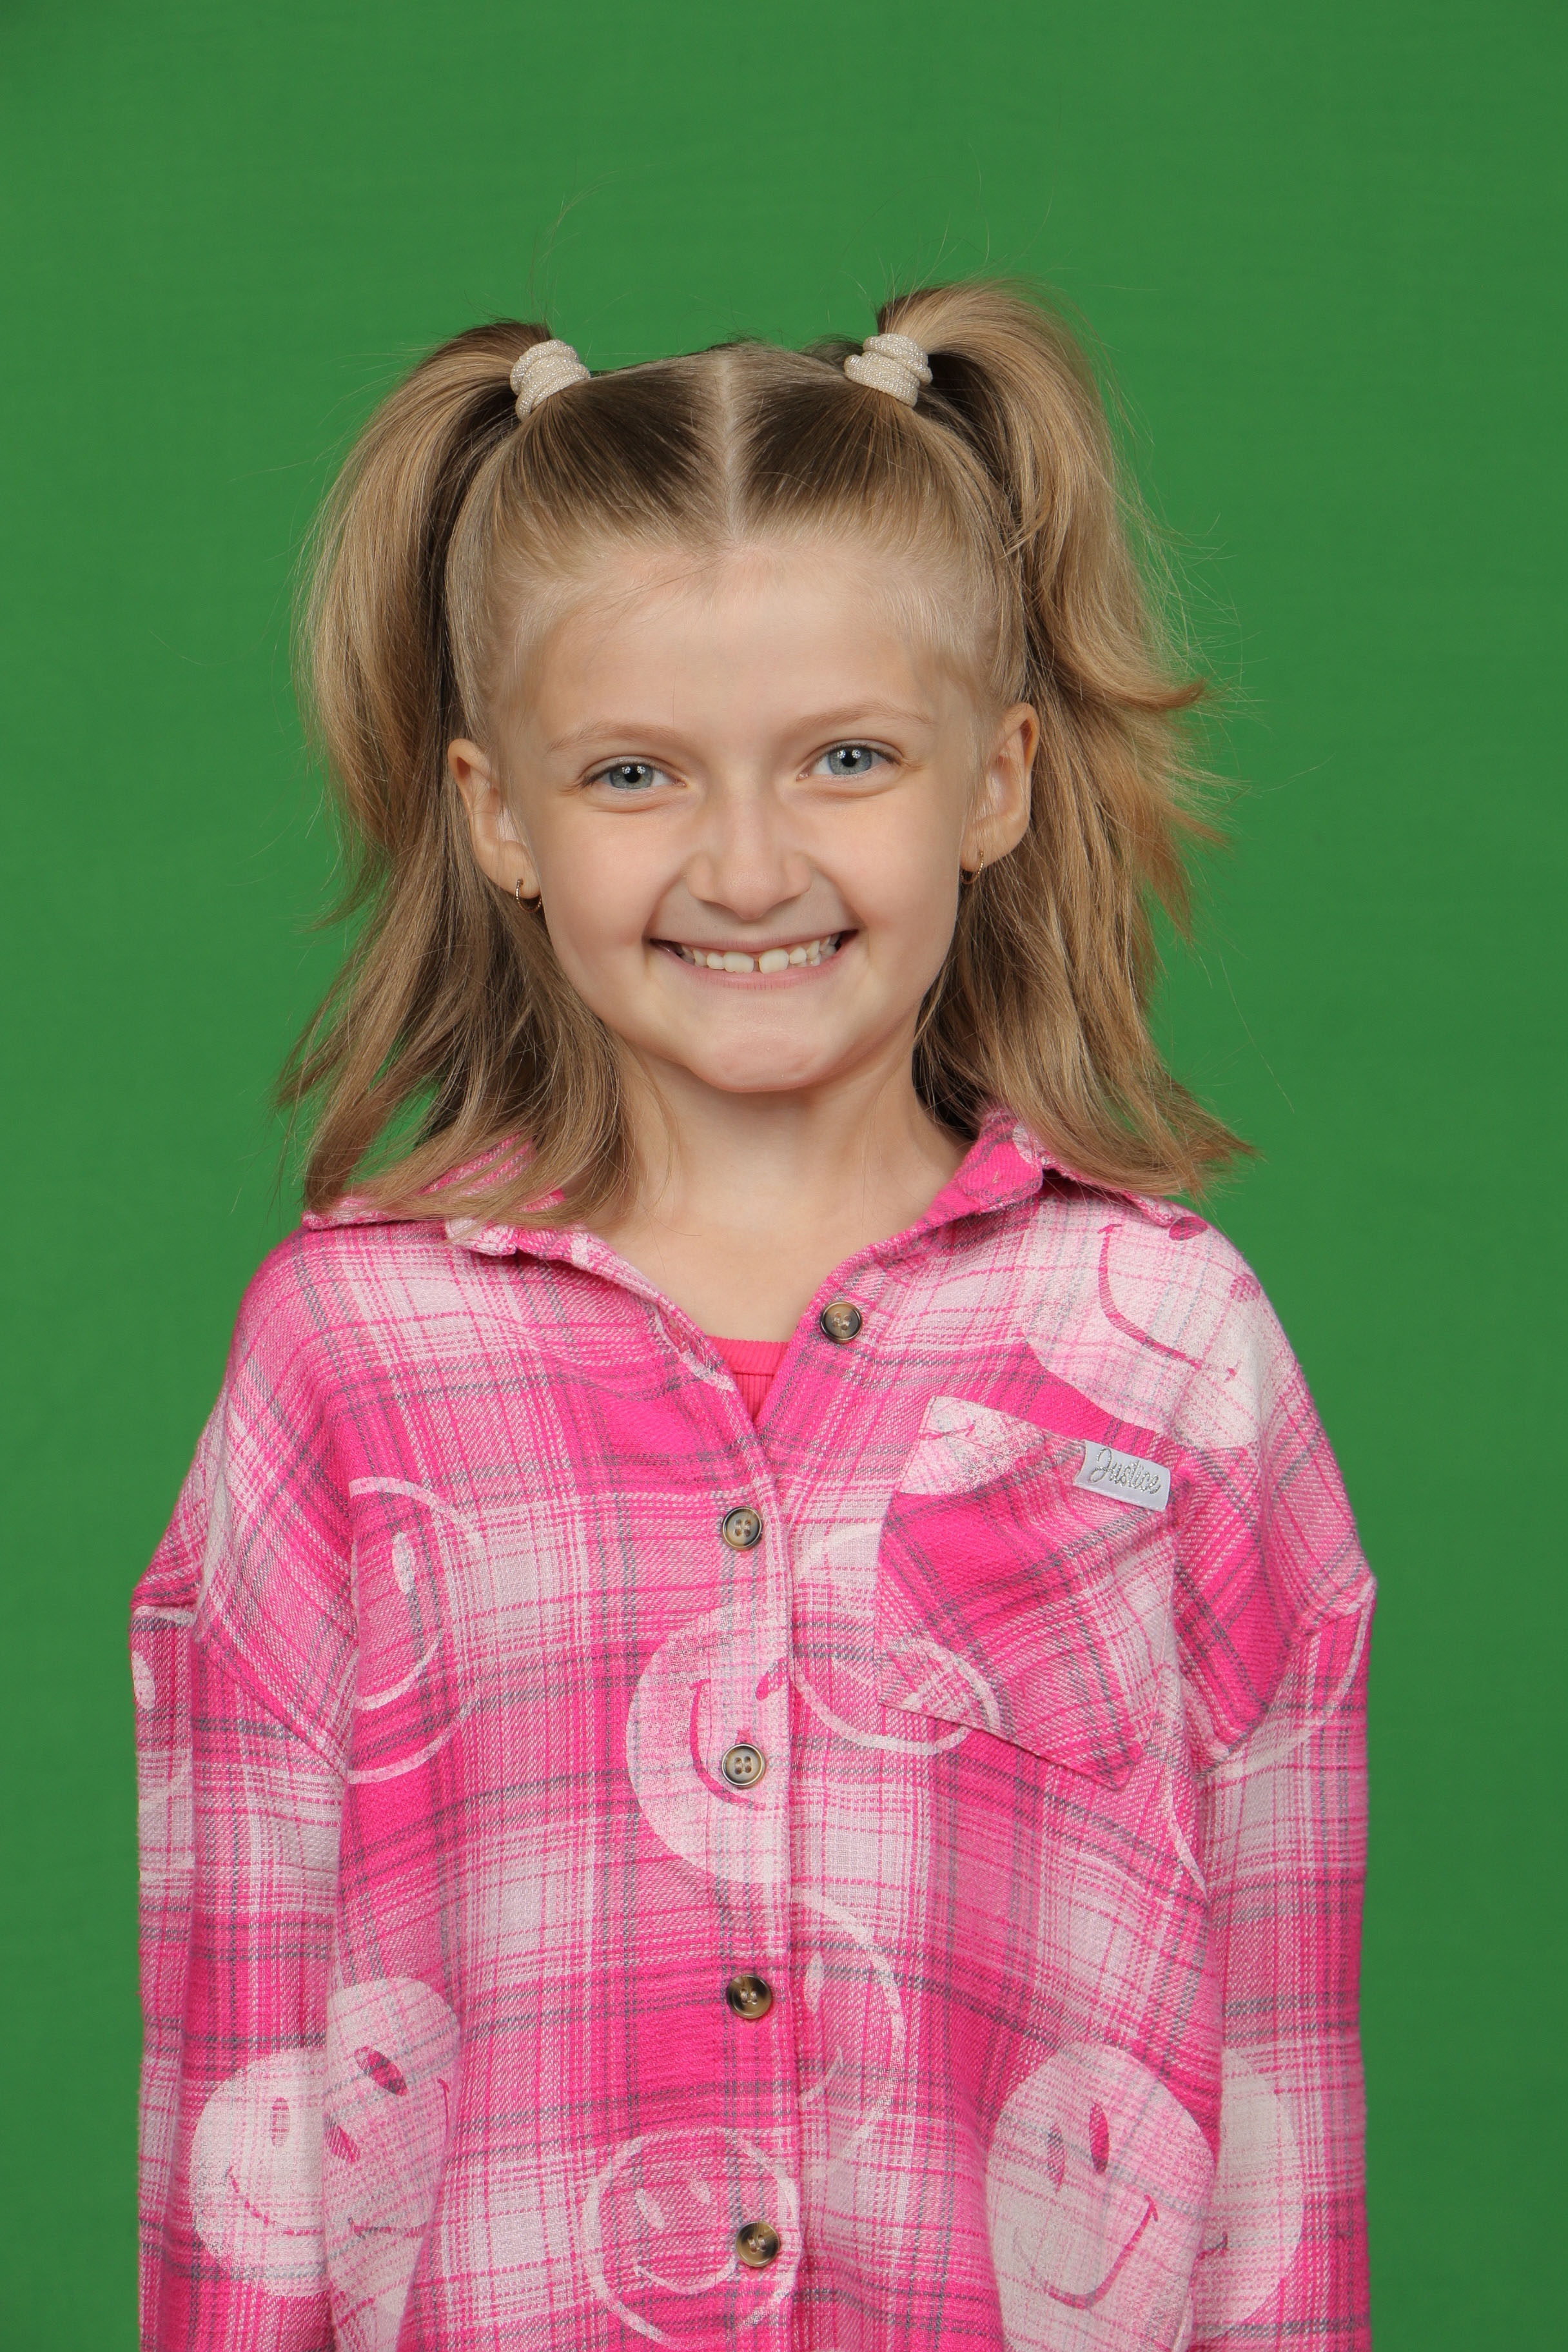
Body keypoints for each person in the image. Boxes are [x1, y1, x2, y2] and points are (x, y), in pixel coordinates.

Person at [131, 284, 1373, 2352]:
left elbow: (1274, 2112)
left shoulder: (1165, 1340)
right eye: (634, 772)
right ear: (500, 814)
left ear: (997, 780)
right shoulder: (346, 1359)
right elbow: (243, 2082)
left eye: (847, 759)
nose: (746, 862)